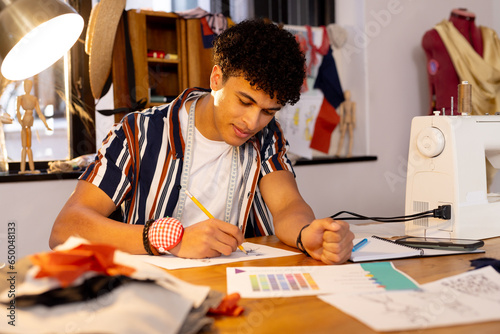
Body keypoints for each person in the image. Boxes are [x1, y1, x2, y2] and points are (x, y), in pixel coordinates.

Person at [49, 19, 354, 265]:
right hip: (153, 296)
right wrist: (170, 238)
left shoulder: (266, 136)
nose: (252, 122)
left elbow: (288, 205)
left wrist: (306, 234)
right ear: (216, 79)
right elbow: (66, 229)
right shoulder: (140, 132)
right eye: (244, 101)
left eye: (268, 111)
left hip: (232, 287)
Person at [16, 79, 52, 174]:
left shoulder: (34, 99)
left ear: (31, 87)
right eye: (25, 86)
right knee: (24, 146)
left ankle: (32, 169)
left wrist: (46, 125)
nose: (26, 88)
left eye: (28, 86)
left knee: (29, 147)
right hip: (24, 123)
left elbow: (40, 113)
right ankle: (22, 169)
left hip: (30, 121)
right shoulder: (20, 97)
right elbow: (17, 111)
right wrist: (20, 122)